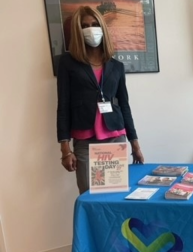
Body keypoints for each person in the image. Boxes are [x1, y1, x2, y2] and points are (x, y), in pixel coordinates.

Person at [56, 6, 144, 194]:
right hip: (85, 142)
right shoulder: (68, 62)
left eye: (95, 24)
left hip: (115, 137)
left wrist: (134, 143)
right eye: (85, 25)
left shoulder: (116, 66)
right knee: (89, 195)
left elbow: (124, 105)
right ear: (78, 32)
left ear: (103, 27)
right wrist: (65, 149)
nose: (91, 29)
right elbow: (62, 105)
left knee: (114, 196)